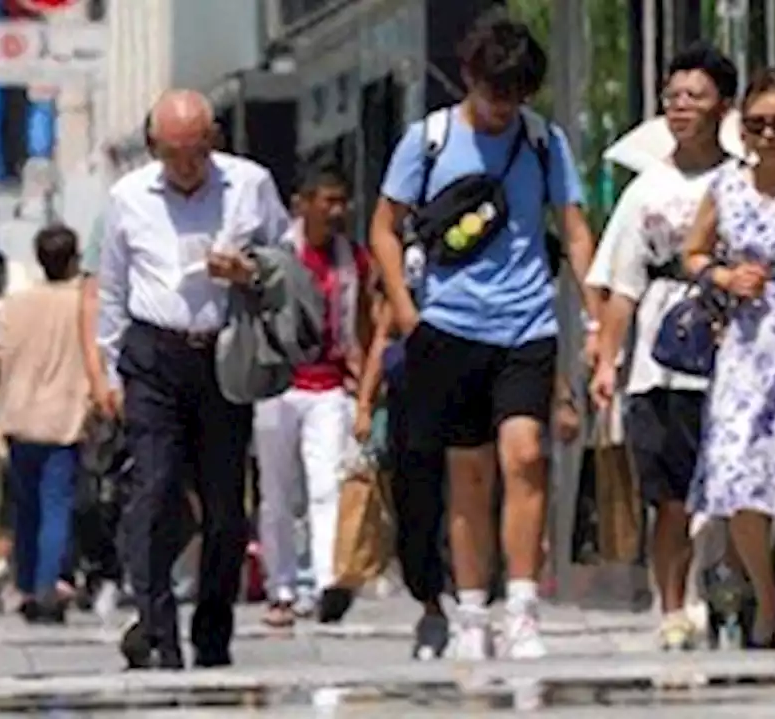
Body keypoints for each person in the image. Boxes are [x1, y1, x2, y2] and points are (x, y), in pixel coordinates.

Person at [369, 9, 600, 666]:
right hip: (449, 326)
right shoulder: (429, 140)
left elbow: (575, 230)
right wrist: (409, 312)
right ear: (470, 76)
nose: (504, 108)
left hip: (527, 323)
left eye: (518, 95)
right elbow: (385, 228)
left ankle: (522, 605)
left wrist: (593, 314)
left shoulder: (542, 141)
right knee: (467, 473)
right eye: (496, 92)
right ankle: (472, 608)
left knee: (524, 455)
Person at [97, 89, 291, 669]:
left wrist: (249, 271)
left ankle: (213, 628)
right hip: (154, 353)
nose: (187, 166)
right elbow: (110, 289)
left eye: (197, 151)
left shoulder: (250, 185)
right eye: (174, 153)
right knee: (153, 491)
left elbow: (286, 263)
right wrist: (107, 369)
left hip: (223, 354)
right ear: (154, 148)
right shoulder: (127, 197)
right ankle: (157, 629)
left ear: (214, 141)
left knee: (225, 504)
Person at [587, 44, 737, 651]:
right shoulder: (645, 190)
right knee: (669, 497)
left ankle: (727, 595)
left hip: (733, 356)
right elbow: (619, 285)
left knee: (731, 491)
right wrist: (606, 360)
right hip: (657, 359)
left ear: (722, 107)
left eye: (694, 97)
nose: (680, 109)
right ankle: (672, 605)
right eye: (673, 98)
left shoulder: (742, 182)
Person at [682, 68, 775, 657]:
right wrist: (722, 275)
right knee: (738, 482)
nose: (769, 136)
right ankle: (765, 594)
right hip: (744, 347)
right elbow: (692, 252)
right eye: (758, 124)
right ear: (741, 128)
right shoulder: (725, 187)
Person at [255, 166, 370, 628]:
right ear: (302, 204)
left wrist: (361, 372)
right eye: (328, 201)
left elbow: (363, 314)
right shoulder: (277, 254)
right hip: (278, 386)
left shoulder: (352, 258)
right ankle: (281, 587)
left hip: (328, 386)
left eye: (342, 201)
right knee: (278, 494)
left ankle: (326, 584)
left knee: (327, 486)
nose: (337, 211)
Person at [0, 224, 92, 622]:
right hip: (65, 415)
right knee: (56, 505)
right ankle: (49, 585)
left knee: (26, 507)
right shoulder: (83, 302)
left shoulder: (13, 304)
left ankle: (27, 584)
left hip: (19, 415)